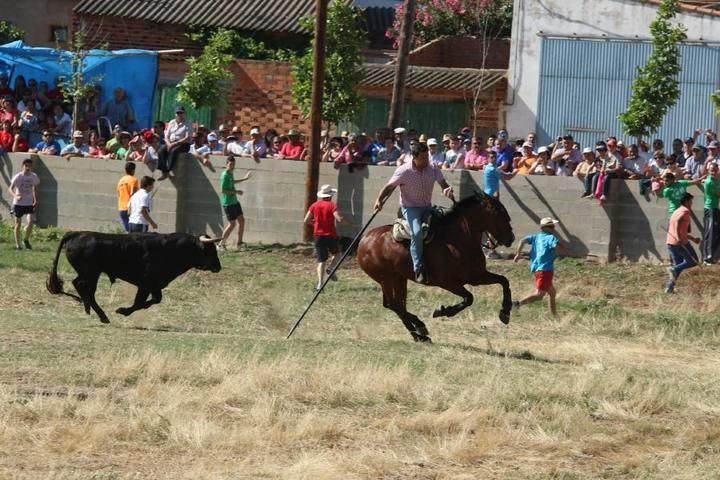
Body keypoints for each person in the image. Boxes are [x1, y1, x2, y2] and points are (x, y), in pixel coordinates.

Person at [373, 142, 455, 284]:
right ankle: (418, 268)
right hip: (410, 208)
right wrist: (379, 200)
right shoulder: (404, 171)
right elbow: (389, 187)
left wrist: (448, 190)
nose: (426, 161)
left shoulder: (433, 168)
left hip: (427, 207)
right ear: (414, 157)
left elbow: (443, 185)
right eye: (423, 158)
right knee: (416, 232)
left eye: (427, 157)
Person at [512, 217, 570, 315]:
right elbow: (556, 246)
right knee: (539, 295)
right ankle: (516, 304)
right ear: (548, 228)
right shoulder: (551, 238)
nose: (553, 228)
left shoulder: (535, 237)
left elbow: (522, 241)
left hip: (537, 269)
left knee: (552, 293)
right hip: (545, 270)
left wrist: (518, 254)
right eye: (552, 226)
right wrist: (562, 253)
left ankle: (554, 316)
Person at [304, 184, 348, 290]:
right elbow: (339, 218)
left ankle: (320, 284)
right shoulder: (332, 205)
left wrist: (315, 224)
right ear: (330, 195)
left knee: (321, 261)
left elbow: (306, 220)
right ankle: (331, 268)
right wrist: (349, 224)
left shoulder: (314, 205)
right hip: (330, 235)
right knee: (338, 254)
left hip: (318, 236)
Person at [665, 193, 700, 293]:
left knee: (679, 266)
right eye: (690, 201)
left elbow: (682, 230)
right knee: (693, 261)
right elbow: (678, 223)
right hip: (680, 242)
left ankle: (669, 288)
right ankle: (673, 269)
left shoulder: (676, 211)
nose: (691, 203)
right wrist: (677, 237)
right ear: (686, 201)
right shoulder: (685, 211)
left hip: (671, 242)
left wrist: (693, 239)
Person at [219, 155, 252, 249]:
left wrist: (245, 178)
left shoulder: (230, 173)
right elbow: (223, 190)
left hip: (234, 202)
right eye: (230, 164)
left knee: (242, 220)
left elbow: (232, 182)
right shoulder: (225, 175)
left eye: (233, 164)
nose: (232, 166)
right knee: (232, 224)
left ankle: (239, 243)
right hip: (228, 203)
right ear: (226, 164)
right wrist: (236, 192)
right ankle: (221, 244)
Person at [8, 158, 40, 250]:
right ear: (23, 166)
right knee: (18, 224)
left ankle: (25, 240)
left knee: (30, 222)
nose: (28, 168)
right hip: (18, 203)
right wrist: (15, 196)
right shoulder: (18, 176)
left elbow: (34, 188)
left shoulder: (34, 176)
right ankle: (18, 245)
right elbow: (10, 188)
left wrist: (35, 199)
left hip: (29, 202)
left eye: (29, 166)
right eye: (26, 166)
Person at [158, 106, 192, 180]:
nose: (179, 114)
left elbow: (187, 138)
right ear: (175, 114)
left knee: (173, 151)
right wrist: (169, 144)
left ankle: (168, 170)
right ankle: (164, 171)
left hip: (183, 144)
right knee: (161, 150)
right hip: (171, 142)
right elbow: (166, 136)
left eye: (181, 113)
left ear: (184, 114)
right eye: (178, 113)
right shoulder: (171, 122)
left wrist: (174, 144)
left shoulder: (188, 122)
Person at [702, 163, 720, 264]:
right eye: (711, 170)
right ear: (708, 171)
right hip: (710, 209)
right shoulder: (709, 182)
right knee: (710, 233)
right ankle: (707, 257)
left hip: (716, 208)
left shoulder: (717, 178)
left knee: (715, 233)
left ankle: (712, 257)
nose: (713, 172)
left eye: (715, 170)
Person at [117, 162, 139, 232]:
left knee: (128, 231)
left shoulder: (121, 180)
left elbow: (119, 193)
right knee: (134, 232)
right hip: (130, 208)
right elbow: (133, 194)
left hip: (121, 208)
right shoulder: (134, 180)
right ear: (133, 170)